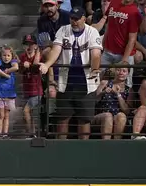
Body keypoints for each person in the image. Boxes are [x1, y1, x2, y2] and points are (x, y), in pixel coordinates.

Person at [39, 6, 102, 139]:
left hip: (86, 83)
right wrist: (47, 64)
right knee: (62, 118)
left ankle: (83, 151)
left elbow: (96, 54)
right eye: (72, 18)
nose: (74, 21)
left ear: (84, 18)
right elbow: (56, 50)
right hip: (65, 82)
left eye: (77, 19)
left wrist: (95, 69)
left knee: (84, 120)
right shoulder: (63, 30)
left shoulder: (92, 32)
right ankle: (60, 151)